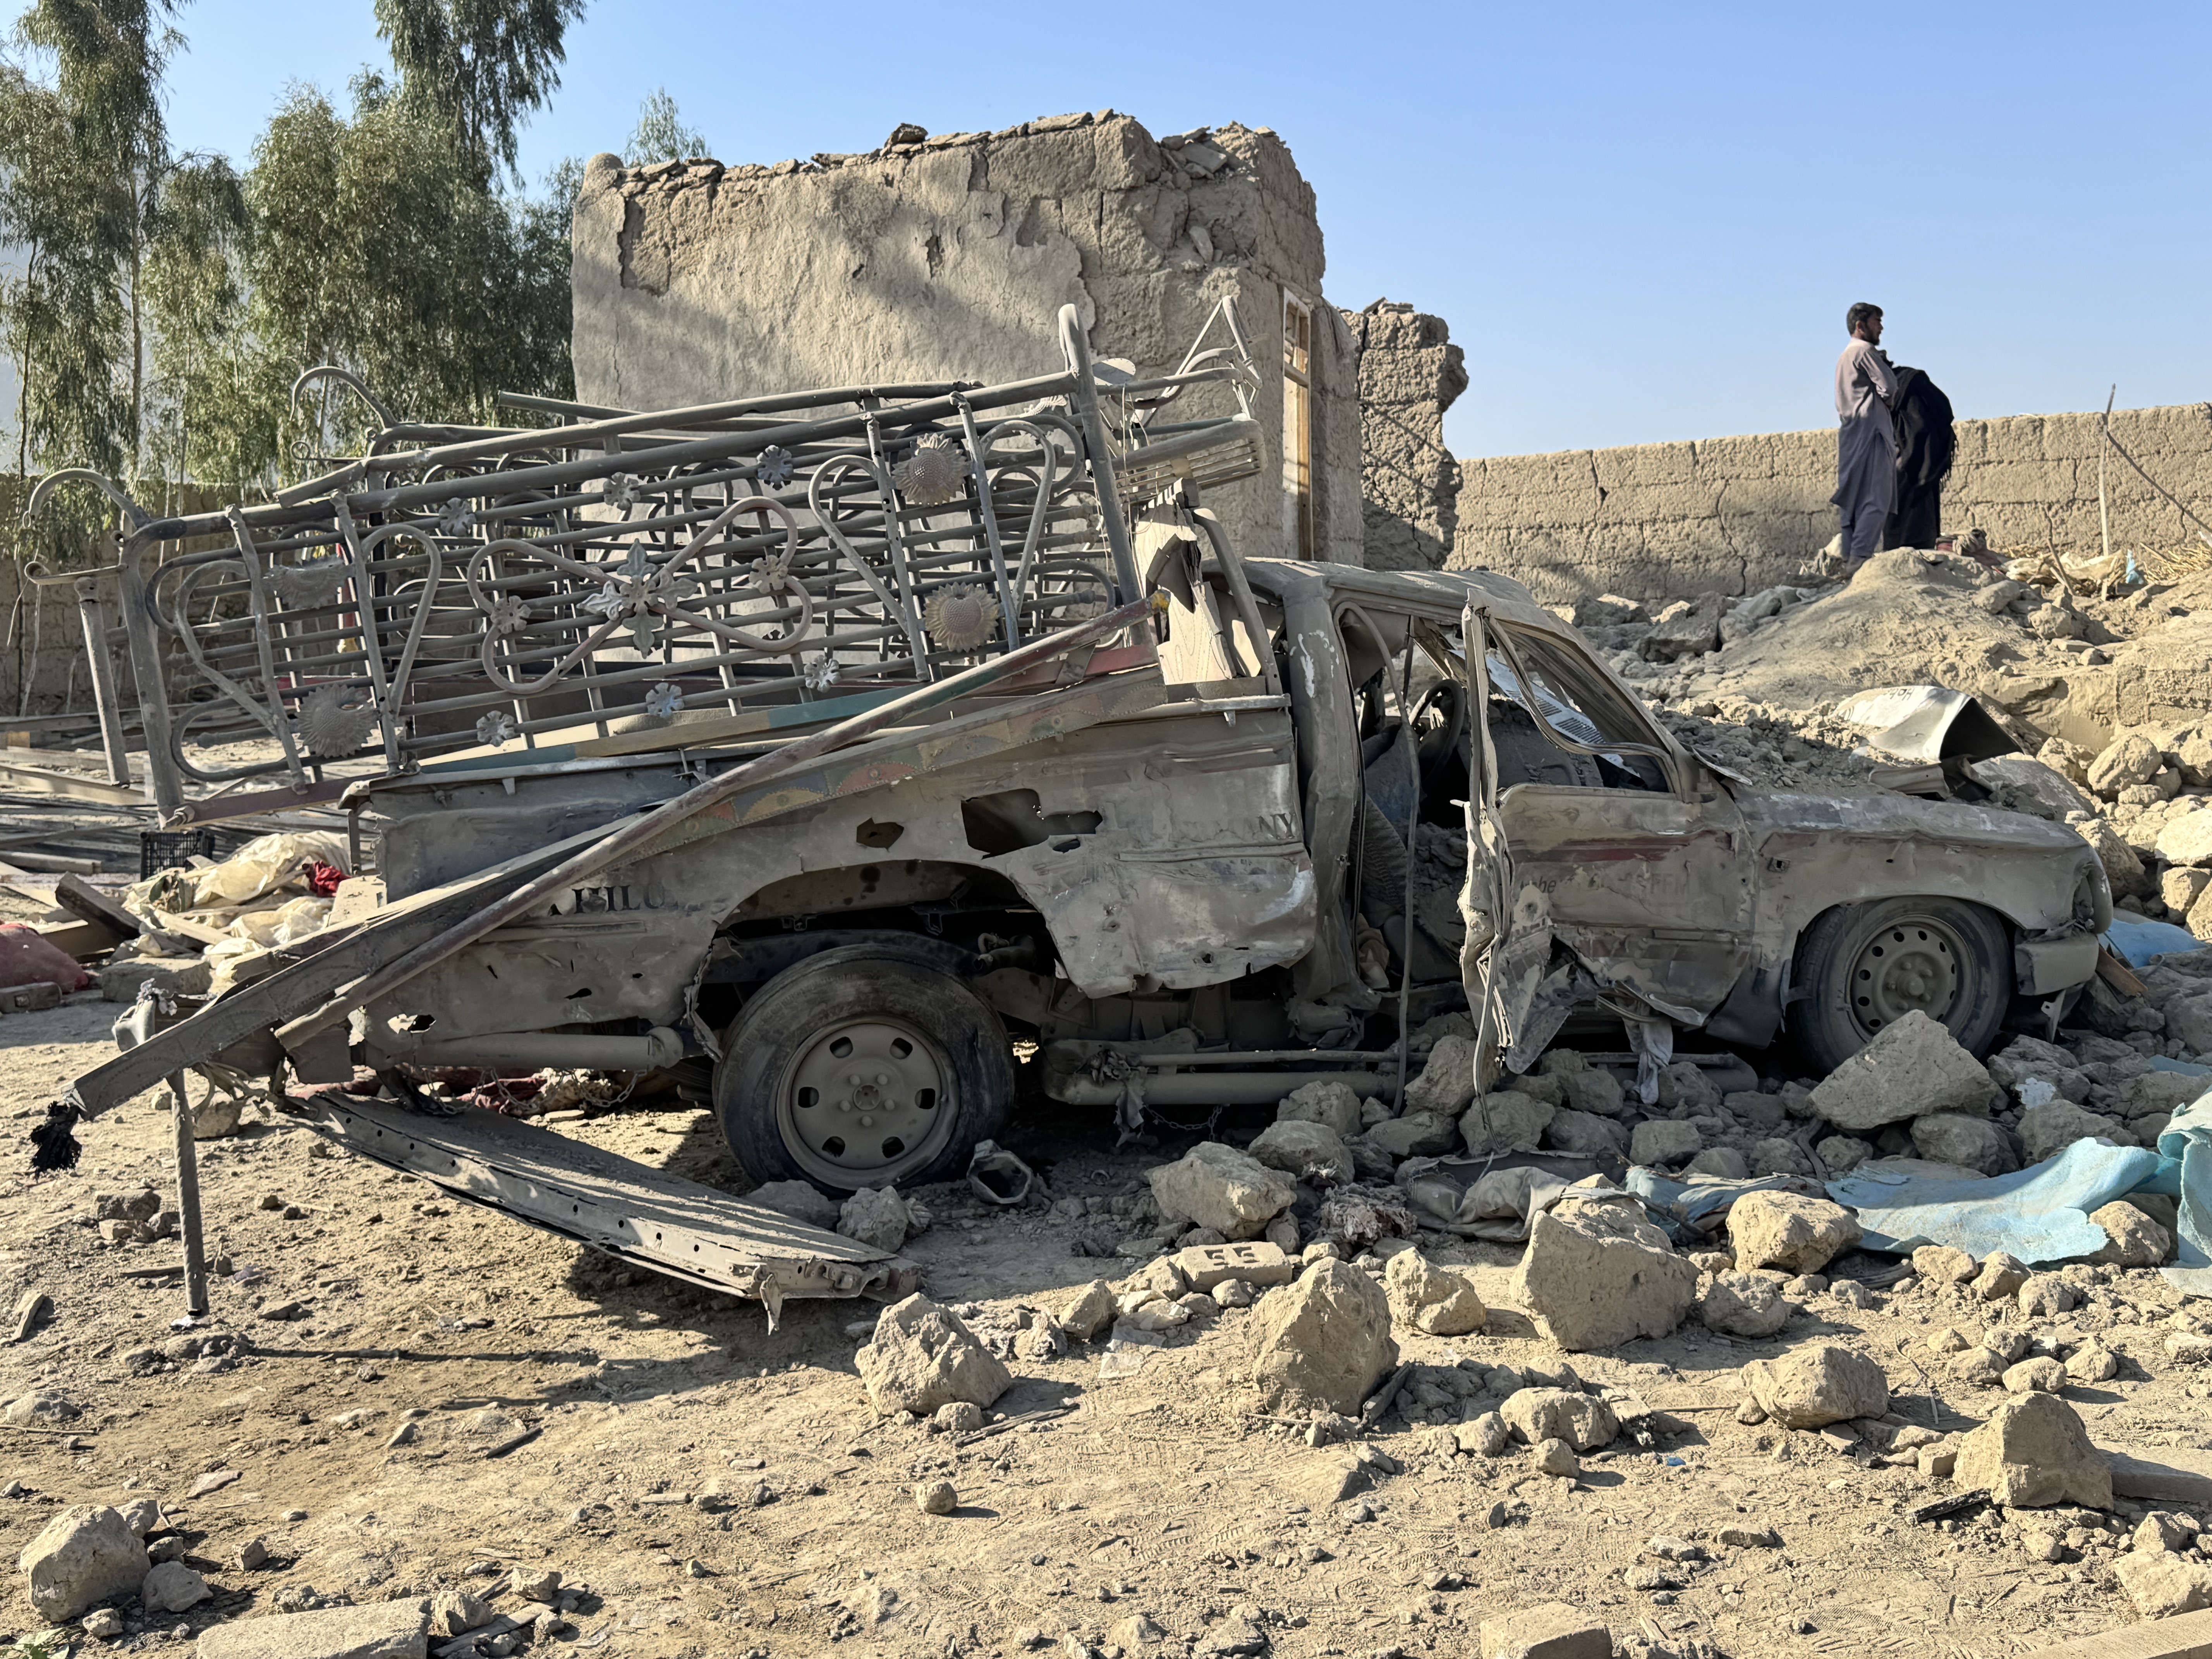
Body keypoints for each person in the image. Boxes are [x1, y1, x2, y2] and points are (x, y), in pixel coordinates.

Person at [1832, 302, 1897, 568]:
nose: (1881, 327)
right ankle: (1859, 560)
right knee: (1876, 499)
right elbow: (1890, 387)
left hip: (1851, 436)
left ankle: (1849, 556)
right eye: (1876, 321)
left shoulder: (1843, 357)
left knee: (1853, 498)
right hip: (1872, 434)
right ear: (1861, 326)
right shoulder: (1864, 351)